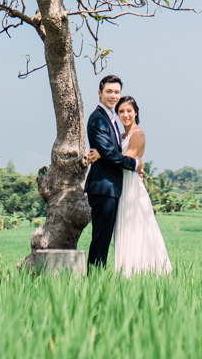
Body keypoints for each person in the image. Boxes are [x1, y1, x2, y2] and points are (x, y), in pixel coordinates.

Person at [109, 95, 172, 275]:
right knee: (123, 229)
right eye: (121, 111)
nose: (125, 115)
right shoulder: (121, 136)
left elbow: (126, 159)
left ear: (136, 112)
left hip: (132, 188)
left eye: (129, 111)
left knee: (135, 228)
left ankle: (140, 270)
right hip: (121, 186)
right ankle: (126, 271)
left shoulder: (138, 134)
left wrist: (101, 155)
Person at [83, 74, 136, 268]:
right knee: (101, 238)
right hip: (103, 187)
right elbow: (111, 154)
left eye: (116, 92)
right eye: (109, 92)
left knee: (104, 238)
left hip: (111, 187)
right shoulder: (98, 119)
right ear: (100, 93)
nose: (113, 96)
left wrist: (103, 153)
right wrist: (134, 164)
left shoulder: (111, 118)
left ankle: (97, 277)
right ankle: (95, 278)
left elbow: (108, 151)